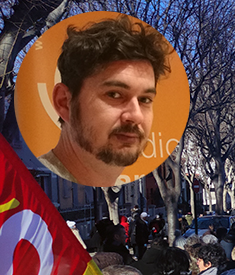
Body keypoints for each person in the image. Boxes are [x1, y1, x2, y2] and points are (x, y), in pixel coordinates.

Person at [39, 16, 172, 187]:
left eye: (145, 99)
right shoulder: (25, 196)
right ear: (64, 102)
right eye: (115, 94)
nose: (136, 116)